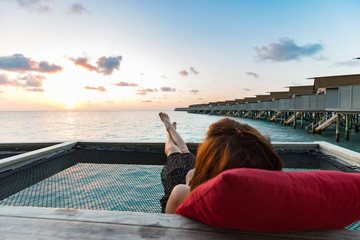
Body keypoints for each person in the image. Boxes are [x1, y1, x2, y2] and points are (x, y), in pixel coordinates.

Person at [159, 112, 283, 214]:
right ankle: (171, 129)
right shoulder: (268, 202)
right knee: (184, 150)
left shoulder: (183, 193)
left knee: (173, 149)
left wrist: (189, 183)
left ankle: (170, 130)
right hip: (202, 177)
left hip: (188, 181)